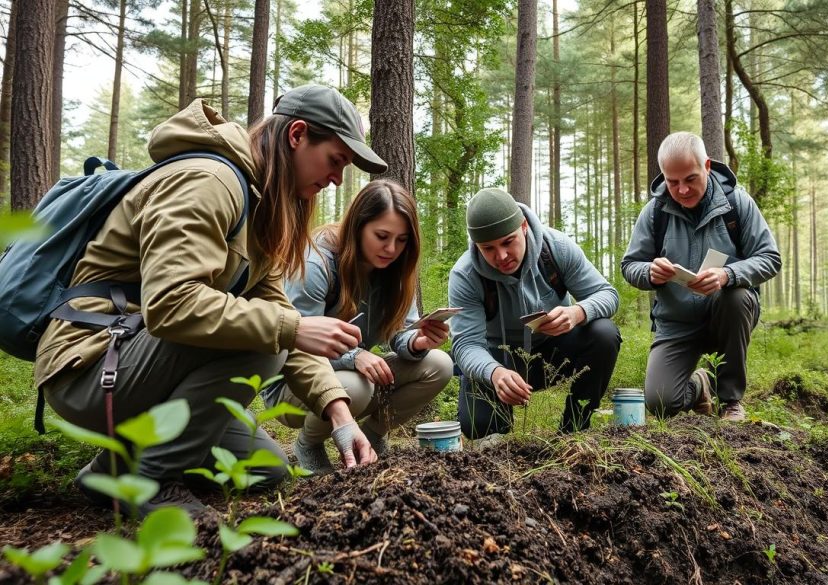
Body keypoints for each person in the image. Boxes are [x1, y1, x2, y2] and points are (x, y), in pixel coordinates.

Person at [35, 84, 385, 515]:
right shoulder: (209, 180)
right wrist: (290, 329)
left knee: (265, 469)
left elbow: (281, 314)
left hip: (137, 362)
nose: (336, 178)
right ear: (297, 135)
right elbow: (172, 303)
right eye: (336, 160)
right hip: (90, 366)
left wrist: (340, 416)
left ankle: (111, 469)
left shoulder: (258, 210)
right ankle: (150, 482)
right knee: (267, 338)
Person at [263, 180, 453, 474]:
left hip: (349, 375)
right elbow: (295, 345)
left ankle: (374, 435)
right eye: (382, 236)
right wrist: (355, 356)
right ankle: (308, 444)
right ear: (357, 226)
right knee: (356, 386)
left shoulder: (396, 272)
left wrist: (418, 342)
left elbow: (400, 334)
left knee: (439, 365)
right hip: (292, 385)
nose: (391, 249)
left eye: (402, 240)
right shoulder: (318, 264)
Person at [621, 131, 781, 422]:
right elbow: (630, 265)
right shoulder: (655, 212)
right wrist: (650, 272)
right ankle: (701, 385)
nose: (682, 190)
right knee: (660, 403)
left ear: (707, 166)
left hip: (726, 314)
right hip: (676, 322)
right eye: (673, 182)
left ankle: (730, 401)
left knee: (737, 296)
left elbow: (770, 258)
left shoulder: (737, 204)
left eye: (690, 179)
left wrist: (727, 274)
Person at [449, 187, 621, 439]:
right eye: (488, 249)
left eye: (508, 241)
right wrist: (494, 372)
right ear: (476, 245)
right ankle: (495, 424)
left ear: (524, 226)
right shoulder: (465, 275)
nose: (502, 256)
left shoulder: (557, 248)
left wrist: (577, 312)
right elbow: (466, 344)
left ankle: (575, 429)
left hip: (553, 352)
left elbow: (608, 294)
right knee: (479, 425)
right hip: (499, 360)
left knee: (603, 333)